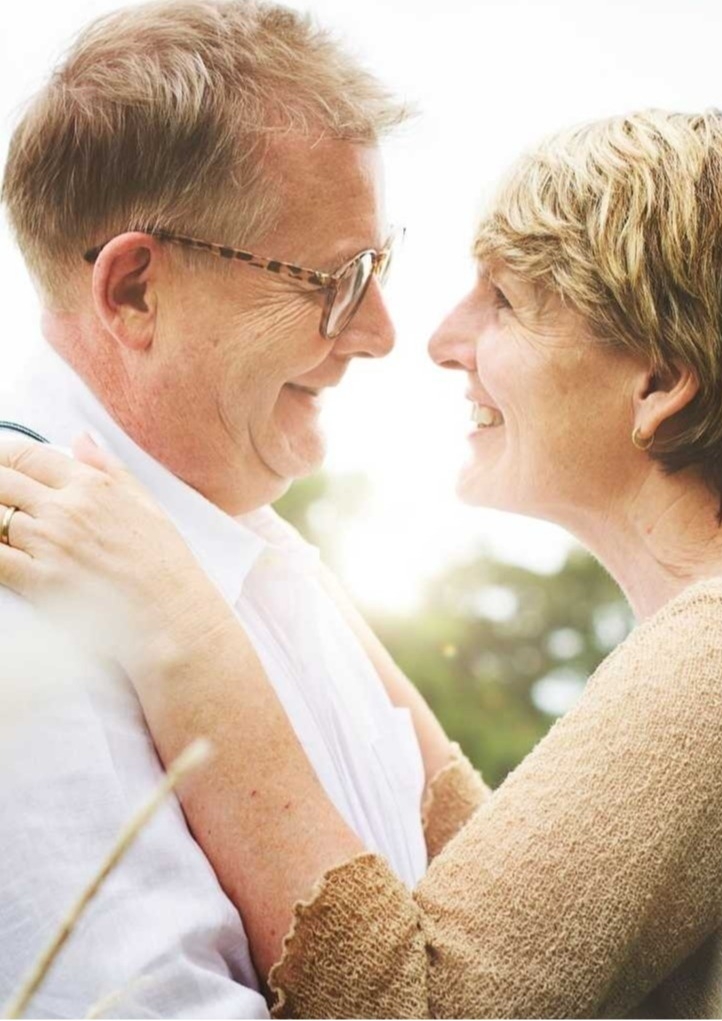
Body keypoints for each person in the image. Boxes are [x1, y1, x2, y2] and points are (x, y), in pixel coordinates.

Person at [0, 103, 722, 1017]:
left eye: (502, 301)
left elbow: (413, 1002)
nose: (440, 339)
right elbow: (501, 898)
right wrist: (260, 548)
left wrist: (185, 631)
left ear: (661, 383)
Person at [0, 1, 465, 1015]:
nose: (381, 332)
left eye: (377, 267)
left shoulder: (264, 552)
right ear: (133, 291)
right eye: (334, 281)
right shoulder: (22, 600)